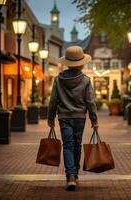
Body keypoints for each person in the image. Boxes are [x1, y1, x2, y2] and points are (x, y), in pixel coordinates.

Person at [47, 46, 98, 191]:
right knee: (76, 144)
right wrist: (94, 120)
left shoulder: (58, 80)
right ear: (81, 63)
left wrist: (50, 118)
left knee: (68, 145)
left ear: (67, 63)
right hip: (80, 117)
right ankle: (73, 175)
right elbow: (90, 102)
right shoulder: (86, 80)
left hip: (64, 117)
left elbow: (53, 100)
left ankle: (71, 175)